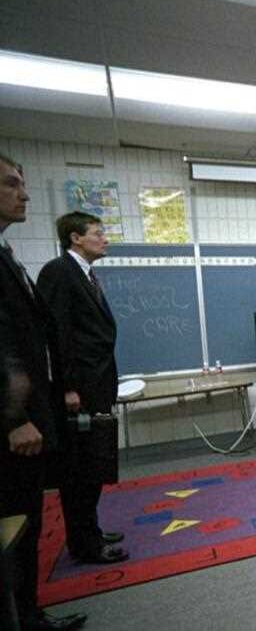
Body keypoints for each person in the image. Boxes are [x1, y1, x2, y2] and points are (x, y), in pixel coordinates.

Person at [0, 152, 88, 630]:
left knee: (27, 523)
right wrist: (12, 417)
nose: (25, 192)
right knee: (15, 526)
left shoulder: (8, 256)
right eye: (12, 184)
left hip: (31, 416)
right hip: (15, 425)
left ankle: (30, 614)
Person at [36, 212, 128, 565]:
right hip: (80, 389)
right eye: (97, 233)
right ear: (75, 238)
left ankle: (90, 530)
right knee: (79, 469)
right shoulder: (59, 272)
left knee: (94, 465)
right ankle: (84, 544)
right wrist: (68, 387)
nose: (104, 239)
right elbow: (57, 335)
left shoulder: (86, 273)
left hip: (98, 381)